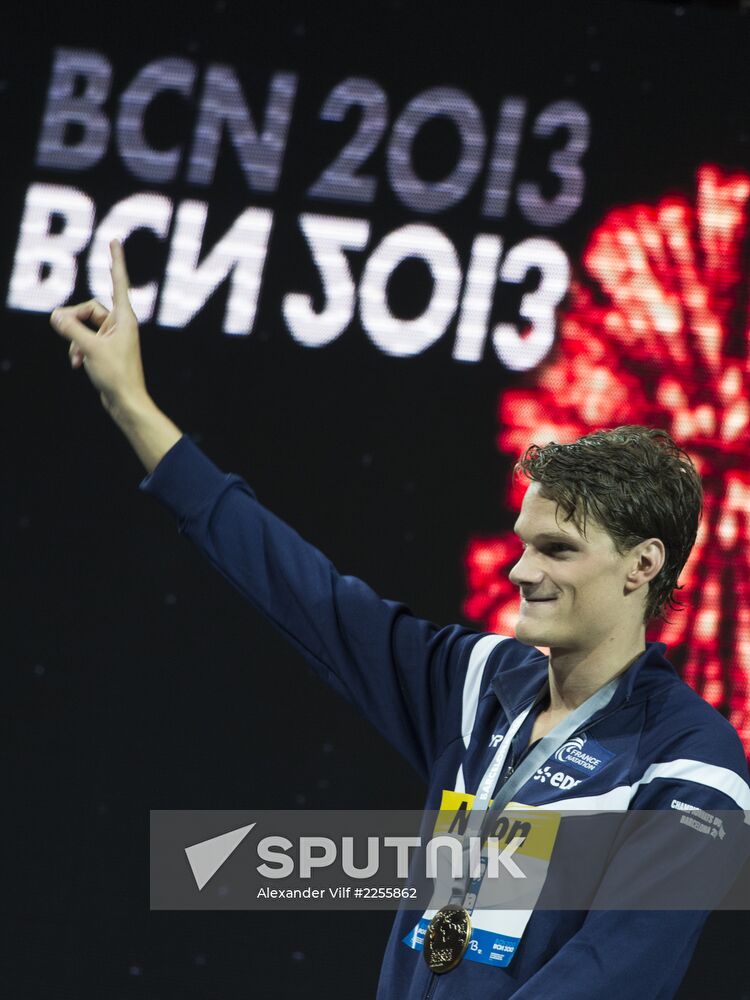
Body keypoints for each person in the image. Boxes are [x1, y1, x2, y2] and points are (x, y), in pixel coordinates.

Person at [51, 241, 750, 999]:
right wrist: (132, 404)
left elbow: (615, 971)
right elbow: (307, 595)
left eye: (557, 550)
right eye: (521, 545)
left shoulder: (693, 766)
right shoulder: (478, 683)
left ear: (643, 565)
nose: (521, 572)